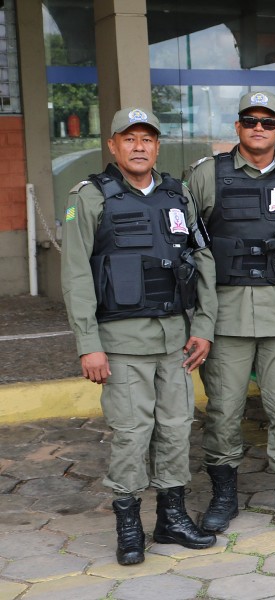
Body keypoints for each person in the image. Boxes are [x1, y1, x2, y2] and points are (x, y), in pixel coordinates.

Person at [61, 107, 218, 565]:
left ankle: (171, 519)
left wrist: (203, 326)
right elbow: (75, 275)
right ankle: (129, 527)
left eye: (147, 139)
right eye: (129, 139)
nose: (138, 147)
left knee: (174, 430)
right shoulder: (89, 197)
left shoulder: (177, 195)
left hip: (176, 340)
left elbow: (202, 260)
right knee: (132, 434)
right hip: (121, 341)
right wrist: (88, 344)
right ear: (112, 145)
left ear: (157, 146)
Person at [186, 91, 275, 535]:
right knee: (223, 410)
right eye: (250, 120)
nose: (258, 127)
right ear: (237, 127)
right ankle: (224, 495)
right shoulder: (206, 176)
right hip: (227, 316)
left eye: (267, 121)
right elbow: (190, 244)